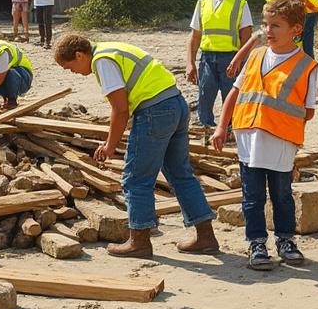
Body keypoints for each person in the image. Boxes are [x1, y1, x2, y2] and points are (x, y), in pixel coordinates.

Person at [53, 34, 217, 258]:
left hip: (156, 111)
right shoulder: (111, 49)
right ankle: (206, 236)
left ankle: (139, 242)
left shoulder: (102, 61)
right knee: (181, 175)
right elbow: (131, 98)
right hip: (175, 105)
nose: (72, 72)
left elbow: (120, 109)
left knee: (136, 179)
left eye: (69, 67)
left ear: (80, 55)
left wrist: (110, 145)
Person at [211, 0, 316, 271]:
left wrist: (279, 123)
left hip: (281, 140)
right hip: (248, 137)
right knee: (252, 196)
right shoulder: (256, 55)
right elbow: (235, 93)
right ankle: (256, 243)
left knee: (282, 194)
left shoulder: (306, 65)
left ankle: (285, 240)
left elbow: (308, 111)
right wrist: (222, 126)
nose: (268, 30)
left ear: (296, 29)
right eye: (266, 24)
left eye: (276, 25)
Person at [186, 0, 252, 130]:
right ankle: (206, 128)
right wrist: (190, 63)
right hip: (207, 59)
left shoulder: (240, 2)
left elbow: (246, 35)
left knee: (231, 96)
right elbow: (195, 36)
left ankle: (229, 130)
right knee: (205, 95)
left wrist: (241, 61)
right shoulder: (202, 4)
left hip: (231, 59)